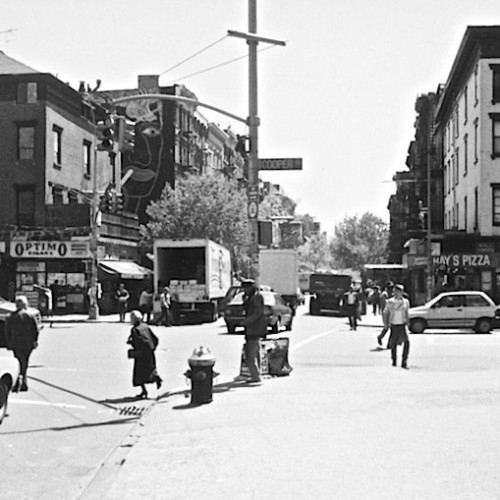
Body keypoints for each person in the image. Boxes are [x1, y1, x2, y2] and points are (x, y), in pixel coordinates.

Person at [5, 295, 40, 392]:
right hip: (28, 343)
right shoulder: (30, 316)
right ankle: (23, 380)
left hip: (16, 343)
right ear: (25, 305)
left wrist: (9, 343)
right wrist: (35, 341)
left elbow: (7, 332)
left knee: (20, 361)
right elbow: (35, 330)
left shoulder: (10, 317)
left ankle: (20, 381)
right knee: (25, 362)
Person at [127, 310, 163, 399]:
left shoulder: (135, 329)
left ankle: (144, 390)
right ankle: (155, 378)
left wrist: (131, 343)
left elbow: (137, 342)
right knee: (150, 368)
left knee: (139, 373)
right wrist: (153, 348)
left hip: (141, 353)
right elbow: (155, 339)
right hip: (149, 352)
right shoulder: (145, 326)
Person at [241, 279, 267, 383]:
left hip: (255, 328)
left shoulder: (256, 297)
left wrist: (246, 322)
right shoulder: (251, 297)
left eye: (246, 288)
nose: (244, 290)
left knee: (250, 355)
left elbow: (257, 313)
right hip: (254, 328)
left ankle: (255, 376)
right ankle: (257, 373)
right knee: (255, 352)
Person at [382, 284, 411, 369]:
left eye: (399, 291)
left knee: (407, 342)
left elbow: (406, 312)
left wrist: (408, 322)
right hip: (394, 325)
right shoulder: (390, 302)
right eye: (396, 291)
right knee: (393, 343)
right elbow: (385, 312)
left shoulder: (406, 302)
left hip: (402, 324)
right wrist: (385, 324)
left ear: (401, 292)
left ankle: (404, 361)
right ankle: (394, 360)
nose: (397, 293)